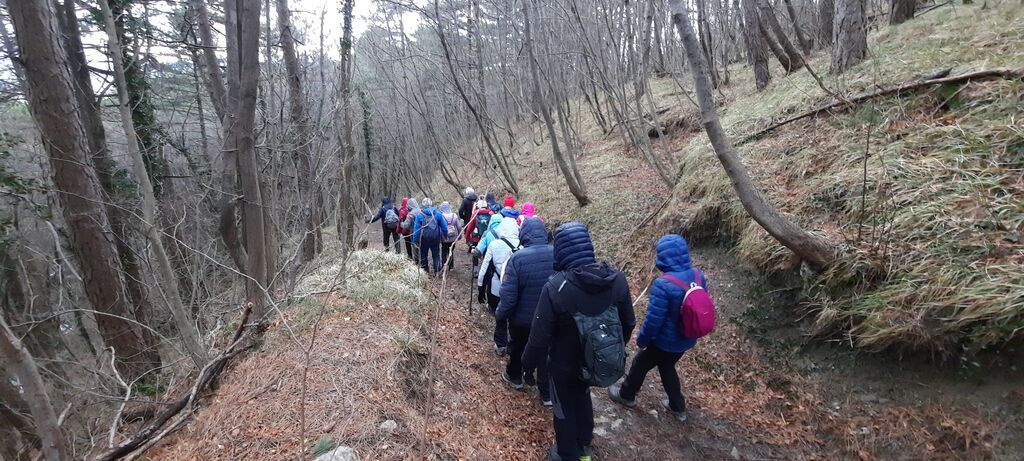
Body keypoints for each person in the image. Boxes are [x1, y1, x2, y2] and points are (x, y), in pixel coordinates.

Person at [521, 222, 636, 461]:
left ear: (560, 251)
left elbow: (539, 337)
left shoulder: (555, 287)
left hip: (563, 365)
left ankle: (566, 453)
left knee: (563, 406)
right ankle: (584, 444)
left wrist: (527, 364)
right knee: (583, 394)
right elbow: (629, 322)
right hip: (593, 360)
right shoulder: (617, 280)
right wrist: (610, 349)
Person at [607, 234, 703, 422]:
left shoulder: (663, 284)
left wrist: (642, 340)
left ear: (664, 257)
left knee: (640, 363)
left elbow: (653, 320)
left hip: (664, 341)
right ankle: (677, 407)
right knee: (667, 366)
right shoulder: (697, 275)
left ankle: (626, 395)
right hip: (687, 337)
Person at [495, 218, 553, 405]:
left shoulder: (518, 258)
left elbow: (509, 296)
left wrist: (501, 314)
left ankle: (515, 377)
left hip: (522, 319)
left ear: (524, 234)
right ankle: (546, 394)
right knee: (546, 352)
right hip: (549, 318)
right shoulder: (556, 253)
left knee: (518, 346)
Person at [477, 217, 519, 356]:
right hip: (516, 290)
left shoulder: (494, 245)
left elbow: (484, 269)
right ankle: (513, 342)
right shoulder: (523, 245)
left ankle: (501, 345)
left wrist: (481, 288)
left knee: (500, 316)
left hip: (496, 289)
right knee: (513, 315)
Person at [413, 198, 448, 275]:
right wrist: (445, 236)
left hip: (424, 239)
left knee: (423, 255)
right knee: (436, 255)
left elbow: (416, 230)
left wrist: (415, 241)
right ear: (431, 204)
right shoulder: (438, 214)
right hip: (436, 238)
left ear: (423, 205)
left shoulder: (419, 215)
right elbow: (445, 228)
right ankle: (437, 271)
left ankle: (425, 271)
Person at [464, 199, 494, 272]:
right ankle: (485, 270)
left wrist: (467, 238)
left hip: (476, 239)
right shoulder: (491, 214)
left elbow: (470, 228)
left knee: (475, 254)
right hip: (487, 238)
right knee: (486, 254)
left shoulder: (475, 214)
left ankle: (476, 270)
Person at [439, 201, 461, 271]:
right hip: (453, 237)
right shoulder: (454, 215)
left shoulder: (441, 216)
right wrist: (459, 235)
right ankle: (451, 266)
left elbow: (439, 228)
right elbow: (459, 226)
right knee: (450, 251)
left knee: (443, 250)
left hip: (444, 237)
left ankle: (443, 265)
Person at [401, 198, 421, 263]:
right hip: (422, 232)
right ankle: (423, 261)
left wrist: (401, 223)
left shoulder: (410, 214)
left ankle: (417, 262)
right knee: (422, 247)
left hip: (413, 233)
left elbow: (406, 225)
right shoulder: (421, 211)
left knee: (415, 247)